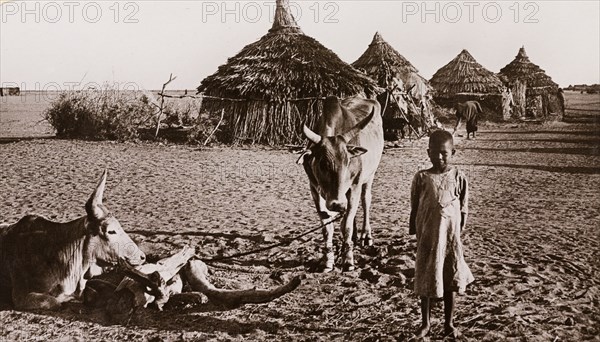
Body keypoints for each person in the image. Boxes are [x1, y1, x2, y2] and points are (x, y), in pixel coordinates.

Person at [409, 130, 474, 339]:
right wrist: (416, 233)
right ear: (428, 152)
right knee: (426, 276)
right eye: (435, 153)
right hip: (427, 239)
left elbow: (463, 208)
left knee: (450, 278)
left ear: (452, 152)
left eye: (444, 153)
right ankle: (425, 323)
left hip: (450, 240)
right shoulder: (421, 177)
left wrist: (457, 234)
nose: (439, 157)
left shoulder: (458, 177)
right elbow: (415, 207)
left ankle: (449, 323)